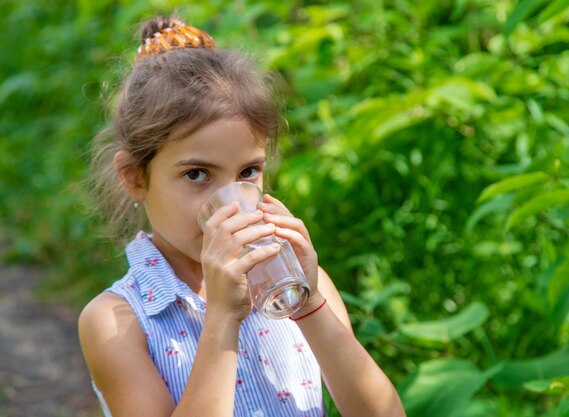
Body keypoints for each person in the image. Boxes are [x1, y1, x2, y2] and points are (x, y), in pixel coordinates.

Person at [78, 15, 406, 417]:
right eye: (196, 175)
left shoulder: (296, 284)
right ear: (135, 178)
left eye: (248, 172)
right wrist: (221, 319)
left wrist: (310, 304)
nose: (230, 205)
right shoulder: (116, 321)